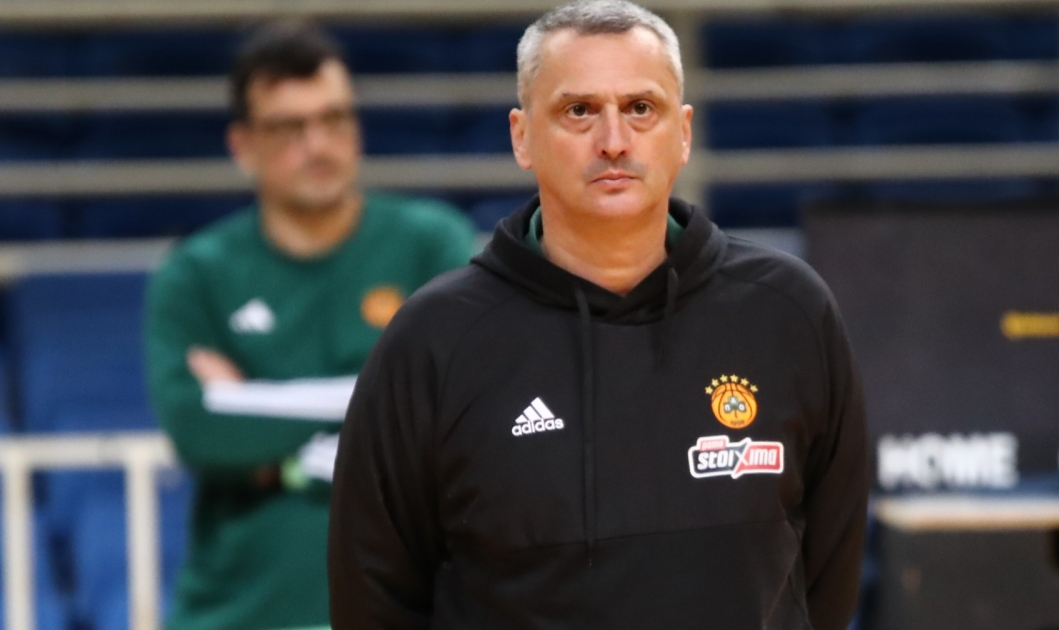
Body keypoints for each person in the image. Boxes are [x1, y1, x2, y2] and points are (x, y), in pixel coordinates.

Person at [328, 1, 868, 628]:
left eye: (640, 108)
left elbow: (828, 576)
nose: (613, 141)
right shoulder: (434, 341)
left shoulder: (788, 312)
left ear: (684, 133)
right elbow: (373, 596)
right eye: (578, 111)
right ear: (522, 137)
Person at [144, 20, 478, 630]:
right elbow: (198, 429)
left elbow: (457, 414)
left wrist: (254, 410)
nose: (318, 144)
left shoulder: (432, 245)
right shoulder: (195, 274)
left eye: (335, 119)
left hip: (407, 606)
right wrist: (384, 419)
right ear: (243, 146)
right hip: (238, 613)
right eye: (289, 128)